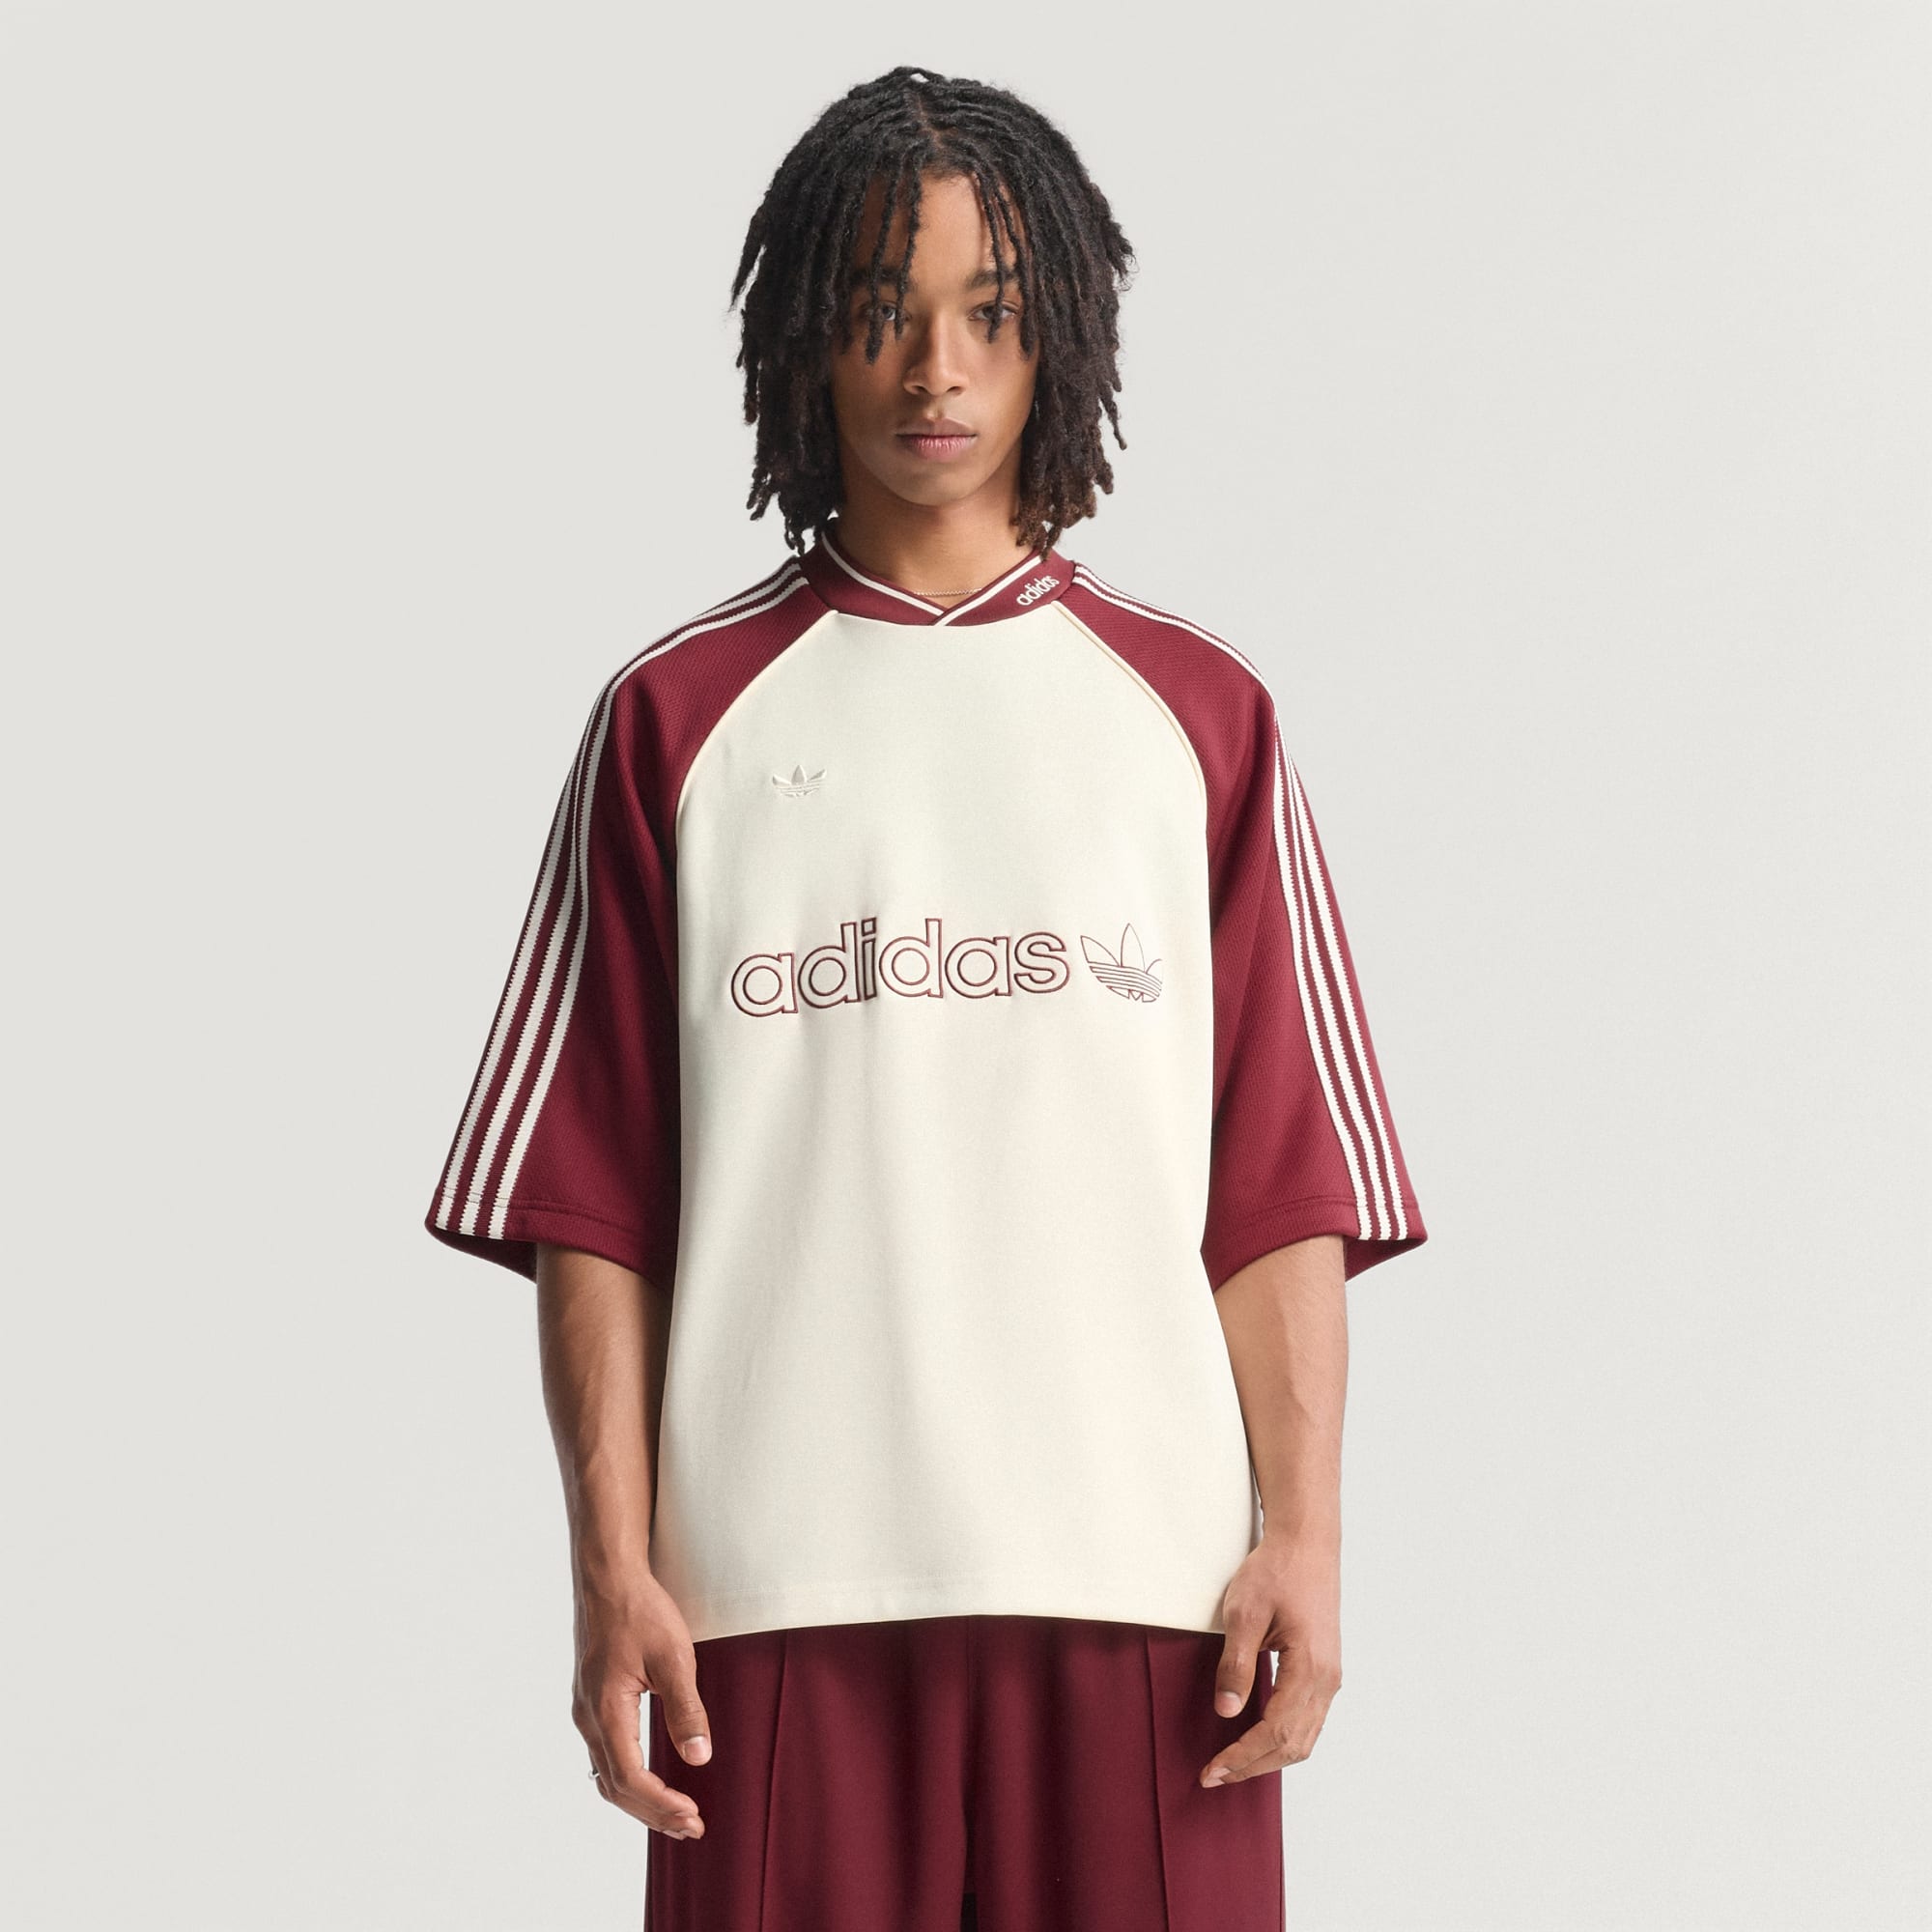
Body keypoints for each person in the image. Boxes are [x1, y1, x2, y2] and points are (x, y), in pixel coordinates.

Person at [424, 64, 1428, 1932]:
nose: (936, 372)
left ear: (1062, 340)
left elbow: (1279, 1182)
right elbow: (592, 1205)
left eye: (990, 314)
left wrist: (1307, 1535)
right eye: (883, 313)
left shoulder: (1202, 721)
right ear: (810, 336)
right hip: (766, 1603)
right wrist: (610, 1566)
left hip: (1151, 1599)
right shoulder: (674, 724)